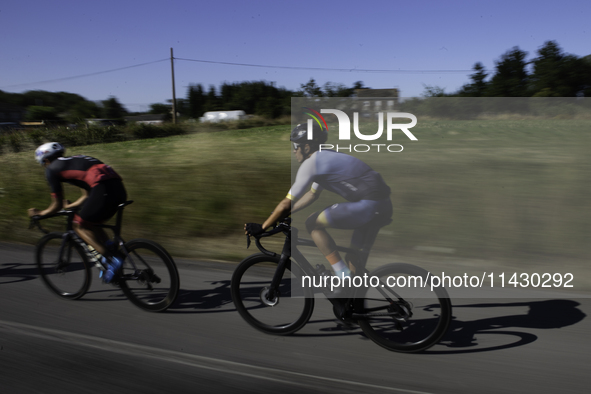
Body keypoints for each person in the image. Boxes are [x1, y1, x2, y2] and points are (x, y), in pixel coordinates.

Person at [245, 123, 392, 281]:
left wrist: (263, 226)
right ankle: (353, 297)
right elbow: (312, 194)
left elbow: (286, 203)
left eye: (296, 146)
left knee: (312, 223)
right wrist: (278, 215)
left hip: (368, 205)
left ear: (306, 147)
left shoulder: (312, 163)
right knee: (353, 260)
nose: (294, 150)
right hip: (383, 206)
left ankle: (343, 277)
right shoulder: (326, 157)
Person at [28, 142, 127, 283]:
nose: (45, 167)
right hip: (119, 190)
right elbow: (87, 195)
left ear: (46, 160)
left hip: (103, 191)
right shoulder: (76, 160)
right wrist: (70, 206)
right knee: (91, 220)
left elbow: (56, 204)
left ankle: (113, 259)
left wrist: (40, 213)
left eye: (43, 164)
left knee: (78, 225)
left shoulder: (51, 170)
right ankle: (109, 248)